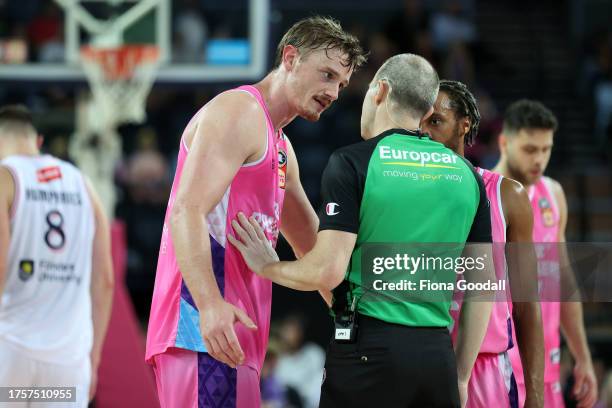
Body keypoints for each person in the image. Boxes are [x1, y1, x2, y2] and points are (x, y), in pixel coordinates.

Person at [229, 53, 495, 408]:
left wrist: (267, 265)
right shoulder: (467, 176)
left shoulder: (354, 161)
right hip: (437, 358)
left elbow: (326, 270)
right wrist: (460, 375)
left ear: (380, 90)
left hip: (369, 353)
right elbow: (483, 286)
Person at [145, 16, 366, 408]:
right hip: (201, 330)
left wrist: (362, 323)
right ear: (291, 58)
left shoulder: (281, 148)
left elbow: (317, 254)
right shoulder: (239, 111)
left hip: (238, 340)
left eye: (341, 84)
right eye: (327, 74)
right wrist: (210, 306)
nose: (333, 92)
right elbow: (186, 210)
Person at [421, 80, 545, 408]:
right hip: (419, 363)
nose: (423, 131)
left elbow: (528, 304)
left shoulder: (507, 195)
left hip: (485, 369)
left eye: (435, 121)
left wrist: (535, 394)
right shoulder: (407, 195)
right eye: (419, 122)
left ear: (464, 126)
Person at [0, 105, 114, 407]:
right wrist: (93, 356)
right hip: (68, 359)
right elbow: (105, 280)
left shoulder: (5, 177)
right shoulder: (84, 184)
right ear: (37, 141)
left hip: (10, 351)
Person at [493, 100, 598, 408]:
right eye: (529, 149)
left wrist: (582, 357)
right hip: (500, 368)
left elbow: (563, 282)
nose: (539, 159)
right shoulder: (483, 193)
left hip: (547, 367)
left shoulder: (553, 194)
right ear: (504, 142)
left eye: (545, 149)